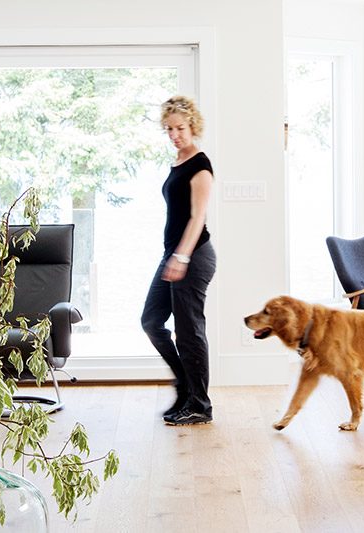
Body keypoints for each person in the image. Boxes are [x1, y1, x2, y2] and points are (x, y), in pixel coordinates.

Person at [141, 95, 217, 426]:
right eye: (169, 129)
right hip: (174, 254)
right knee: (151, 321)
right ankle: (185, 387)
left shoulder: (200, 164)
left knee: (189, 332)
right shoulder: (178, 160)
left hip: (193, 255)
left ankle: (200, 404)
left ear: (193, 126)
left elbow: (197, 217)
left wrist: (182, 257)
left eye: (181, 128)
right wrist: (173, 256)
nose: (175, 135)